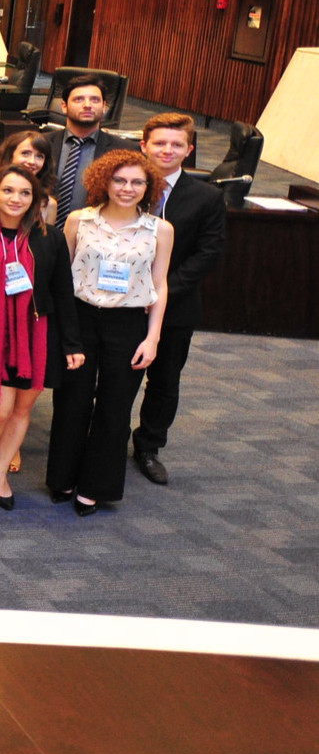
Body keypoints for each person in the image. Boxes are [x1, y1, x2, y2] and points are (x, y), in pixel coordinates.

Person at [51, 150, 173, 516]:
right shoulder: (79, 220)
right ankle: (62, 477)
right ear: (104, 182)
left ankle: (95, 486)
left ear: (148, 187)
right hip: (81, 318)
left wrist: (152, 338)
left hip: (128, 322)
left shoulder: (160, 229)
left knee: (115, 406)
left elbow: (160, 285)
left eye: (137, 182)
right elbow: (62, 277)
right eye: (119, 180)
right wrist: (64, 331)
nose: (127, 188)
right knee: (72, 401)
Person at [0, 165, 80, 512]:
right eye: (8, 190)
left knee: (22, 410)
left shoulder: (49, 237)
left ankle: (0, 471)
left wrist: (72, 343)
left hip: (36, 334)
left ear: (36, 199)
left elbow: (63, 291)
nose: (16, 198)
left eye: (25, 193)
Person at [131, 112, 227, 486]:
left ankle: (148, 446)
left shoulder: (207, 197)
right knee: (117, 377)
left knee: (164, 380)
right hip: (120, 302)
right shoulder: (124, 184)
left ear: (189, 150)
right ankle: (106, 437)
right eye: (159, 143)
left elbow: (208, 254)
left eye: (176, 144)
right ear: (144, 145)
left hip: (175, 306)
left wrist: (158, 291)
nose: (167, 150)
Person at [45, 76, 126, 216]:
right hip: (43, 226)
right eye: (79, 99)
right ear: (64, 106)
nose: (87, 105)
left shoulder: (123, 151)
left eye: (95, 100)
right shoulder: (42, 144)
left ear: (104, 107)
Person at [0, 131, 56, 227]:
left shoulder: (48, 204)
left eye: (39, 156)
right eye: (25, 153)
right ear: (10, 155)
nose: (32, 161)